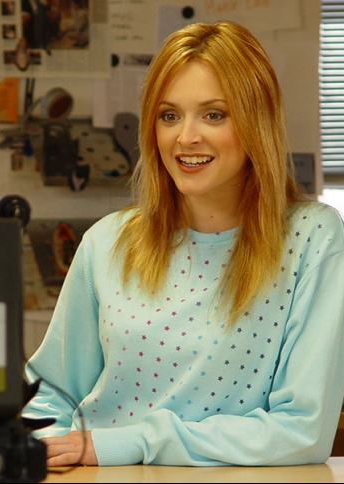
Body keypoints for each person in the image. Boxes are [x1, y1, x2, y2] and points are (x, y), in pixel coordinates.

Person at [22, 21, 344, 467]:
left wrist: (129, 443)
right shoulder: (107, 242)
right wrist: (51, 452)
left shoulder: (311, 238)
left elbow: (302, 431)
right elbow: (48, 394)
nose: (186, 137)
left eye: (214, 115)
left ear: (257, 122)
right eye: (169, 116)